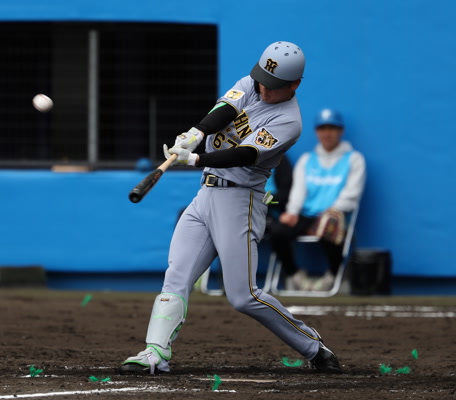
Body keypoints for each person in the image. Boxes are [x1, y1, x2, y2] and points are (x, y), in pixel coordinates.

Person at [121, 41, 341, 375]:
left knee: (243, 296)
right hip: (205, 195)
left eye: (274, 85)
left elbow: (246, 154)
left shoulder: (289, 121)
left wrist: (196, 158)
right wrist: (196, 132)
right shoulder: (253, 82)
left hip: (240, 200)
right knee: (177, 275)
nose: (264, 89)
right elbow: (225, 109)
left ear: (294, 85)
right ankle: (155, 352)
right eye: (262, 80)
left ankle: (313, 346)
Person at [269, 109, 366, 291]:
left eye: (332, 128)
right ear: (316, 132)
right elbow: (298, 191)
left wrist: (332, 211)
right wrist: (292, 212)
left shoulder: (354, 159)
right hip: (306, 215)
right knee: (278, 230)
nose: (327, 133)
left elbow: (351, 194)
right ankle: (294, 276)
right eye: (322, 128)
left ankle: (334, 277)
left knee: (328, 226)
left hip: (335, 214)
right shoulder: (307, 160)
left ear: (340, 131)